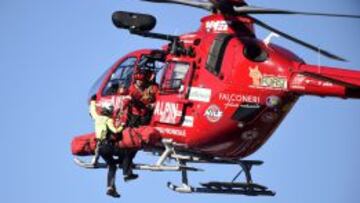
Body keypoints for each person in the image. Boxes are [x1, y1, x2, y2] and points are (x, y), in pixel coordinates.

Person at [89, 96, 125, 198]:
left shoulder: (97, 117)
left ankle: (110, 188)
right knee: (124, 154)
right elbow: (115, 131)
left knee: (112, 166)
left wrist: (93, 101)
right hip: (107, 146)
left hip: (99, 148)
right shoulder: (107, 120)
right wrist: (123, 125)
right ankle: (125, 164)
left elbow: (92, 111)